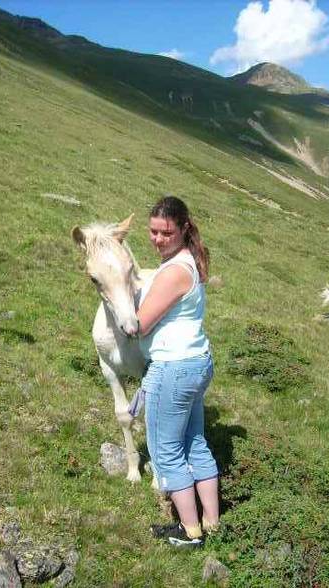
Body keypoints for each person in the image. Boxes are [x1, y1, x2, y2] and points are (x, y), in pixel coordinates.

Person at [136, 195, 219, 548]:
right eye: (153, 232)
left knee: (165, 449)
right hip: (197, 362)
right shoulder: (188, 261)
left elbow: (139, 325)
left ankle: (190, 531)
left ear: (183, 229)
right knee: (194, 442)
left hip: (174, 368)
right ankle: (212, 523)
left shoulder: (172, 272)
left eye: (165, 233)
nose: (157, 239)